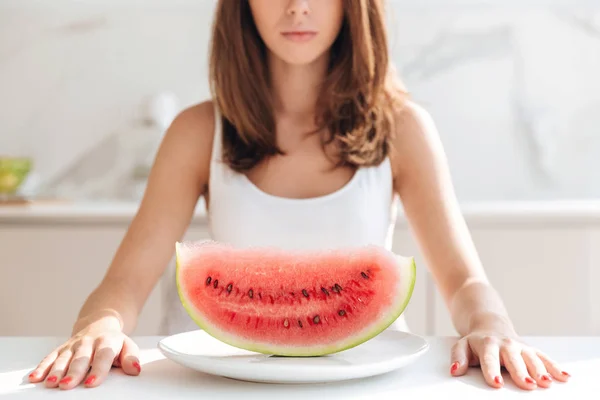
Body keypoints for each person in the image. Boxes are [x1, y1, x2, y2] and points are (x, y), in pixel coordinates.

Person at [28, 0, 570, 392]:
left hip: (364, 379)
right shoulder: (198, 132)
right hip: (229, 380)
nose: (297, 7)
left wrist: (491, 326)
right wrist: (97, 325)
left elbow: (463, 279)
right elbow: (126, 280)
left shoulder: (403, 127)